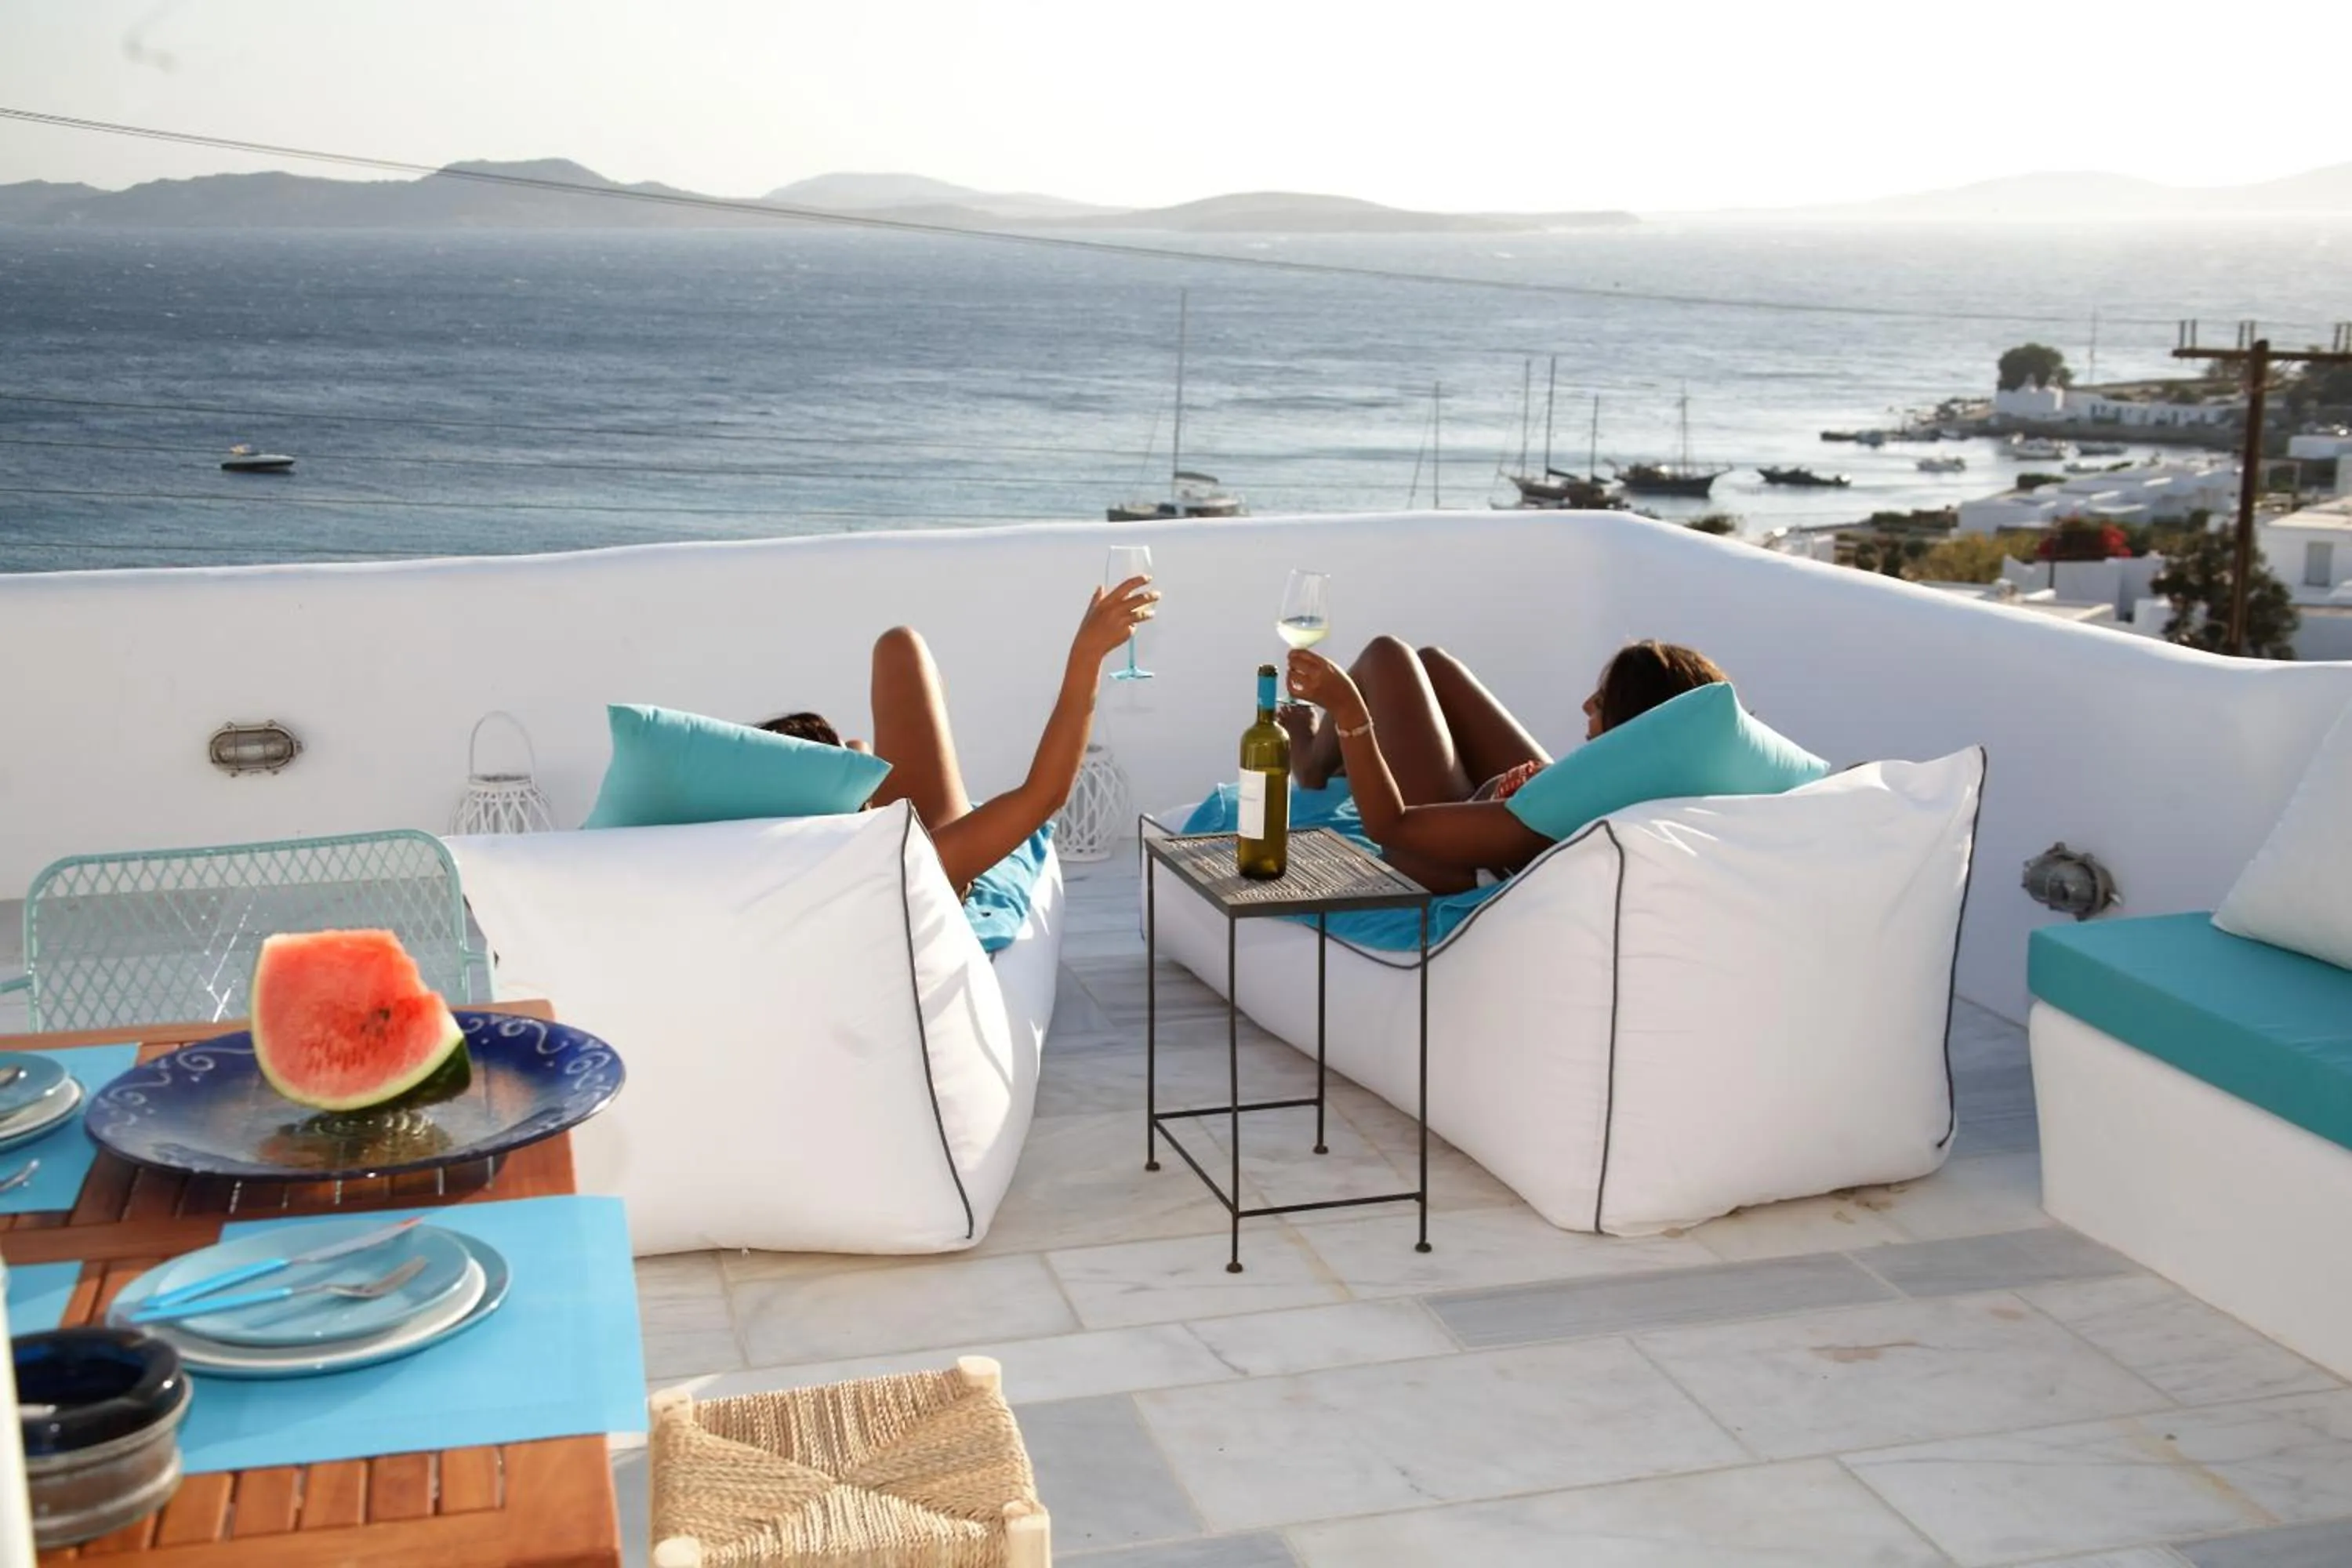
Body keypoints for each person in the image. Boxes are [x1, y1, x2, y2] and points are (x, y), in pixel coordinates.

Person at [760, 574, 1157, 897]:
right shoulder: (912, 865)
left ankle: (856, 763)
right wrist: (1088, 655)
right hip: (900, 849)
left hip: (837, 842)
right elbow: (1045, 795)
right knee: (900, 651)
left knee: (900, 646)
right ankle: (857, 766)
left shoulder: (744, 841)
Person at [1279, 637, 1727, 895]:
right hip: (1523, 795)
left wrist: (1350, 712)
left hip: (1461, 840)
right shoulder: (1654, 772)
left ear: (1631, 724)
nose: (1586, 704)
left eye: (1603, 701)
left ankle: (1312, 765)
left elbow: (1389, 826)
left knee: (1386, 656)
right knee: (1432, 663)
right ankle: (1336, 766)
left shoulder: (1563, 810)